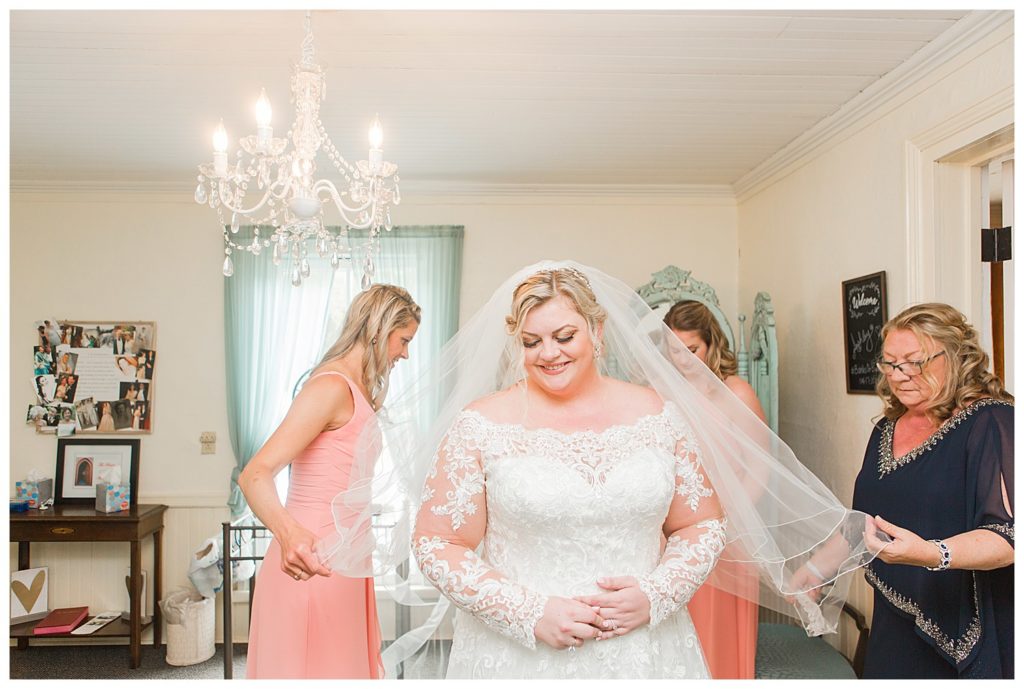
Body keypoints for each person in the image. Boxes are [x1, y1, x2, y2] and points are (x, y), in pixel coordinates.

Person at [327, 262, 879, 679]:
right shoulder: (482, 424)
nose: (549, 354)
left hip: (646, 651)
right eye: (532, 342)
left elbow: (702, 525)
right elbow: (437, 543)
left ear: (597, 329)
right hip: (519, 657)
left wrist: (656, 594)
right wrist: (528, 611)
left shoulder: (658, 415)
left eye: (564, 336)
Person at [240, 284, 421, 679]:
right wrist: (290, 536)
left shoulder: (355, 388)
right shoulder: (330, 387)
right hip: (311, 558)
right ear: (379, 329)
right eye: (403, 340)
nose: (405, 353)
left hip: (346, 558)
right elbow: (254, 474)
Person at [851, 303, 1013, 679]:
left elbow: (1009, 537)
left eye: (914, 361)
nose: (900, 375)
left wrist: (928, 553)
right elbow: (864, 518)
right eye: (889, 363)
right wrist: (812, 573)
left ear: (955, 356)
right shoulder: (885, 430)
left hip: (968, 626)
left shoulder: (992, 422)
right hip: (894, 623)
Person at [663, 300, 764, 679]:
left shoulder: (736, 392)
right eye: (674, 351)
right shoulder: (664, 394)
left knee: (719, 638)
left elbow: (759, 468)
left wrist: (725, 523)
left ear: (711, 343)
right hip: (674, 531)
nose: (683, 360)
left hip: (729, 531)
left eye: (691, 350)